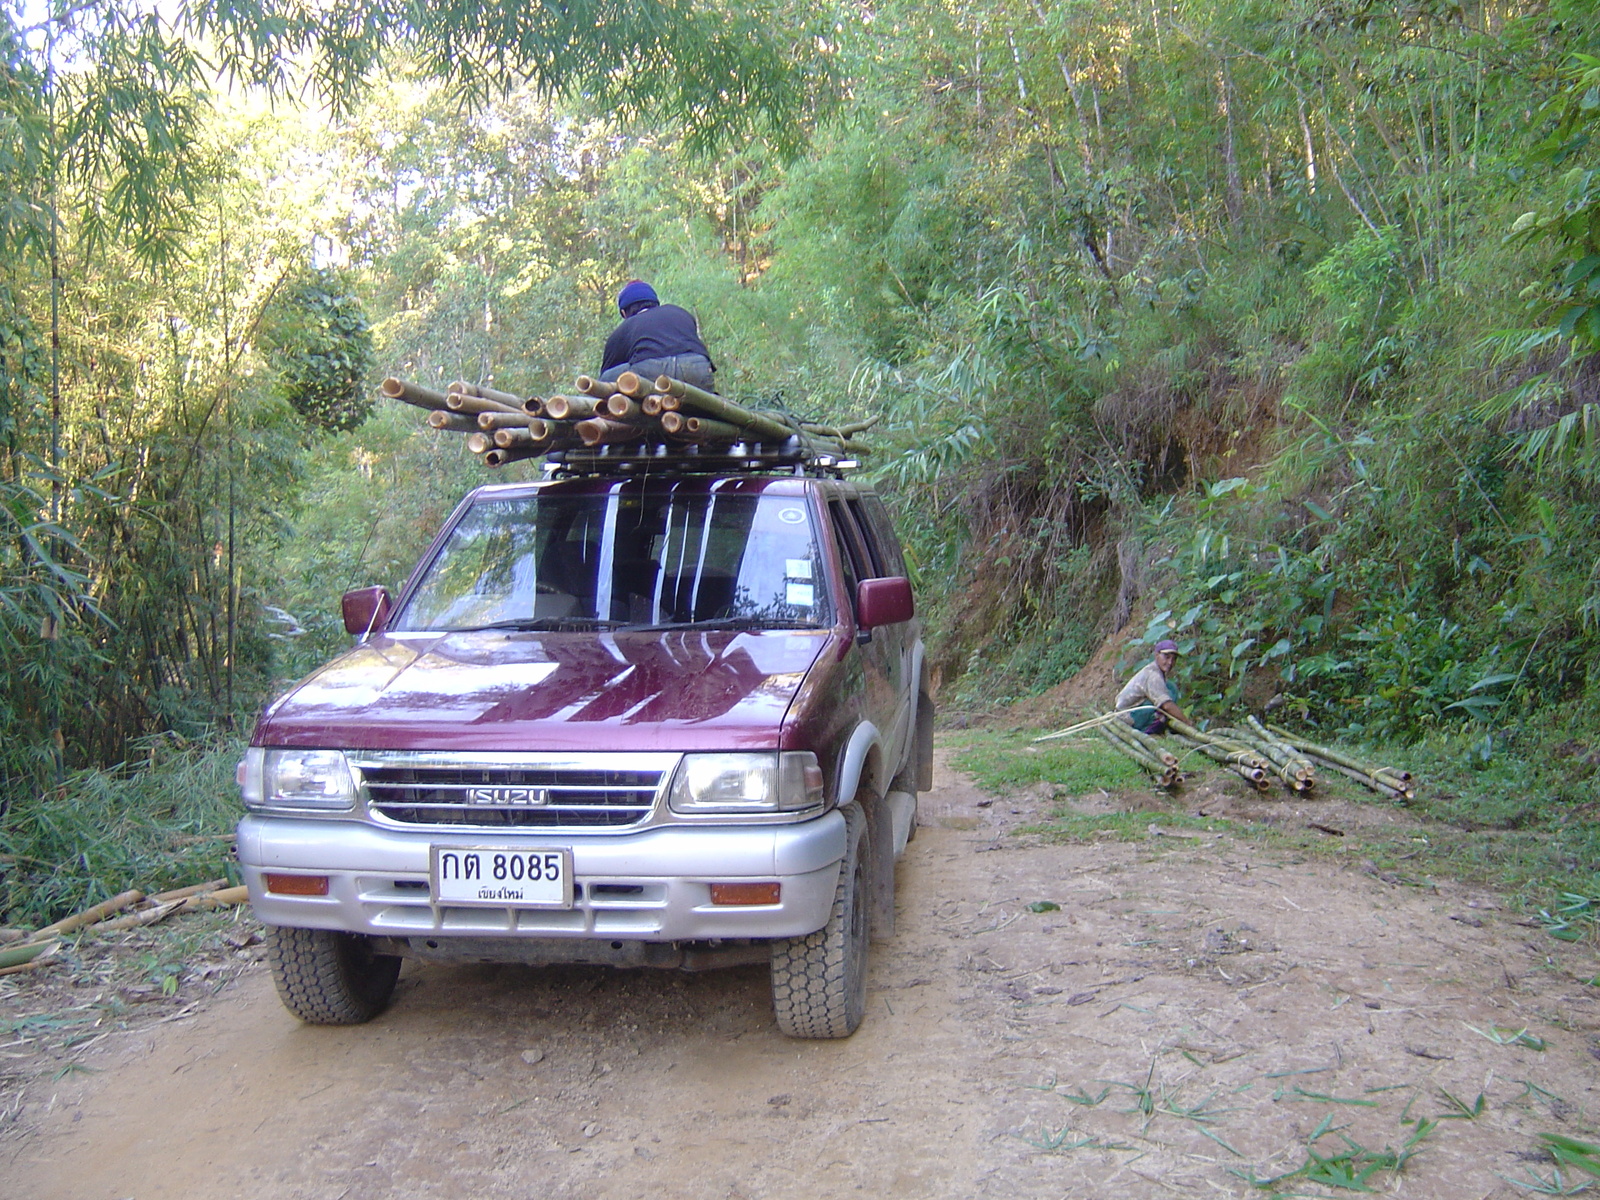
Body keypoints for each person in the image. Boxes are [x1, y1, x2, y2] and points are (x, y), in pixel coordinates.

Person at [599, 281, 717, 392]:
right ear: (655, 303)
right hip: (697, 367)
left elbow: (607, 371)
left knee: (606, 377)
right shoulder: (680, 312)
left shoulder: (626, 327)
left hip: (652, 372)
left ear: (624, 313)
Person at [1115, 639, 1191, 733]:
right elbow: (1166, 705)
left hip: (1130, 711)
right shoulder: (1153, 676)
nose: (1170, 662)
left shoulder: (1156, 672)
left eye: (1173, 659)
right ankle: (1148, 729)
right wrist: (1187, 722)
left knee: (1170, 687)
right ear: (1156, 655)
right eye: (1166, 657)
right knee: (1162, 706)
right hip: (1128, 716)